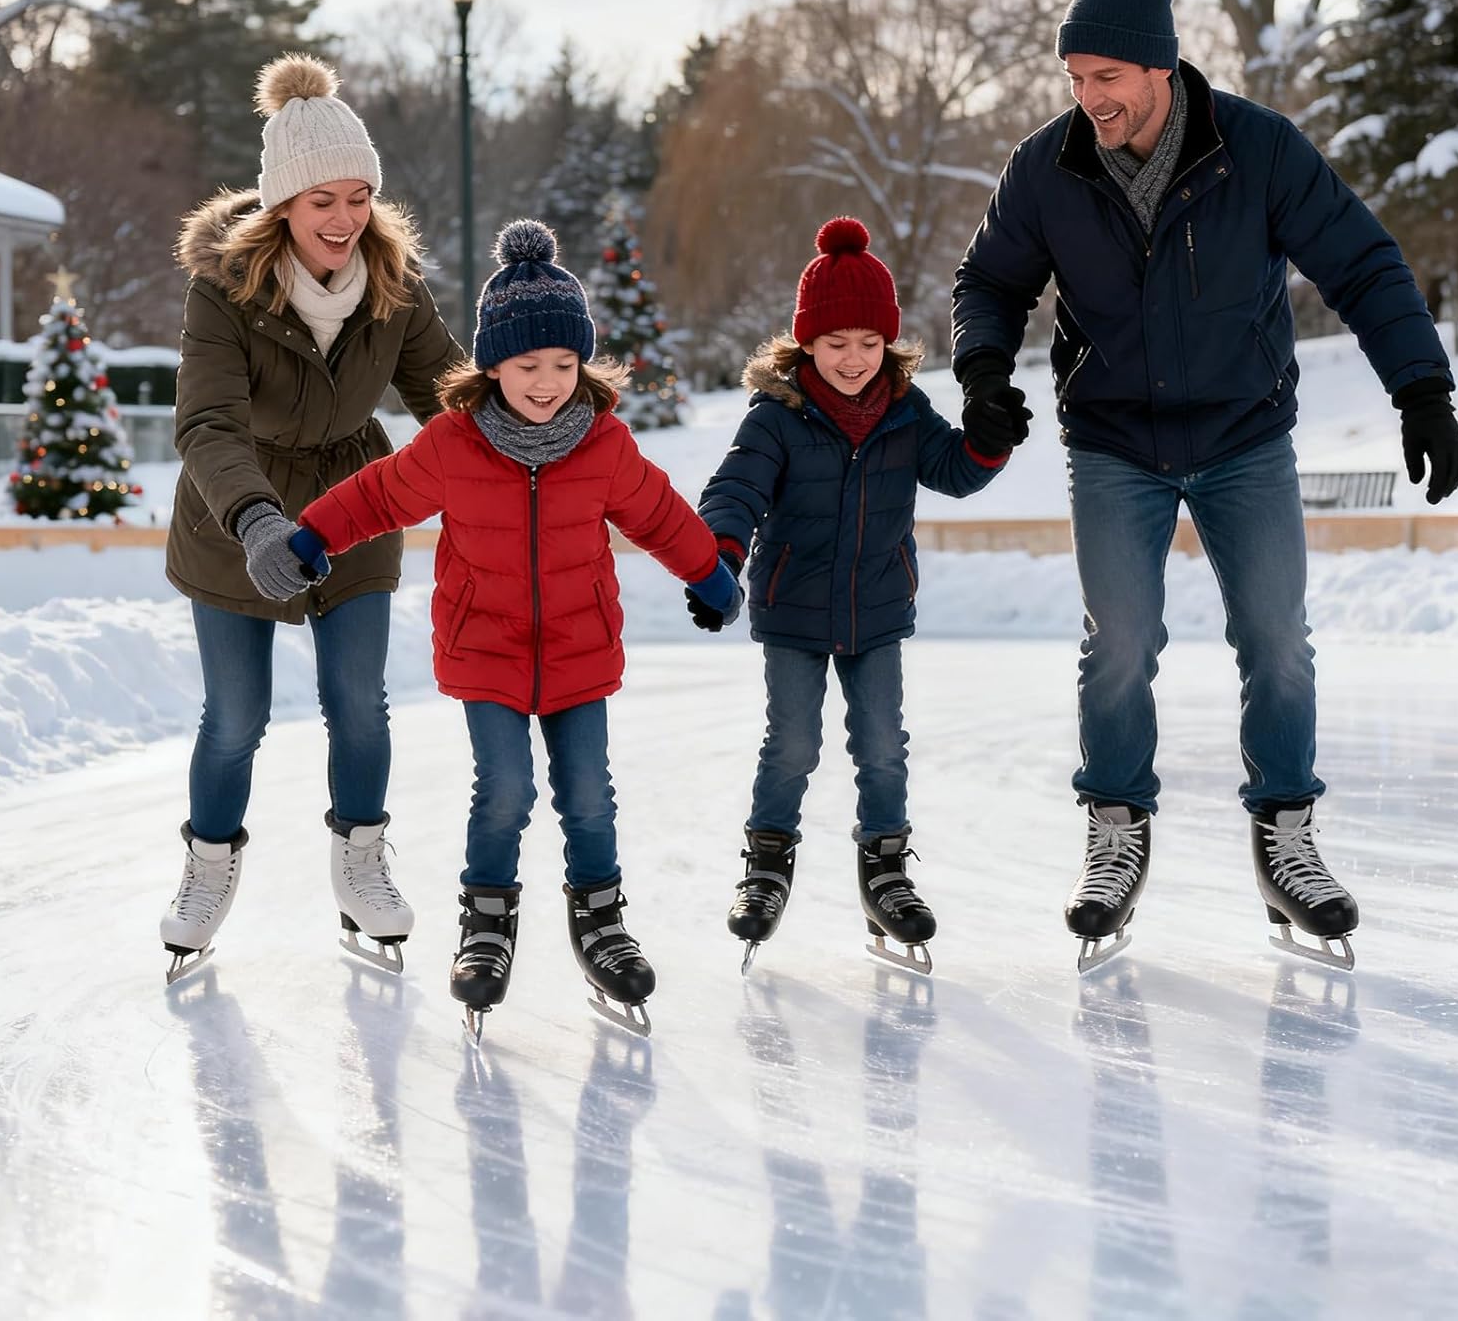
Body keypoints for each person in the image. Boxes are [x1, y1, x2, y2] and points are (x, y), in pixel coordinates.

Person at [949, 0, 1458, 973]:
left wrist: (1423, 391)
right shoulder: (1045, 169)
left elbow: (1362, 263)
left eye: (1106, 76)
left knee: (1276, 639)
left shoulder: (1258, 150)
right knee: (1122, 642)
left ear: (1159, 65)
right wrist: (979, 371)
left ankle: (1286, 834)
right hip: (1113, 440)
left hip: (1242, 436)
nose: (1089, 97)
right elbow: (991, 281)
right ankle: (1114, 830)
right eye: (1074, 77)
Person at [275, 218, 741, 1038]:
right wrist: (313, 535)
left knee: (589, 799)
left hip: (578, 650)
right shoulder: (456, 442)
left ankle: (601, 922)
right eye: (530, 365)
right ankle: (485, 926)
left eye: (565, 364)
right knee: (506, 792)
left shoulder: (602, 441)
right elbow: (380, 494)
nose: (549, 381)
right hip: (485, 648)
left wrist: (710, 573)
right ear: (494, 365)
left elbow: (660, 512)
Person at [160, 53, 464, 984]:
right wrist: (255, 521)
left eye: (359, 196)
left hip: (354, 501)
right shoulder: (224, 291)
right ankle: (208, 870)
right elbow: (207, 422)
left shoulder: (394, 288)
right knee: (235, 716)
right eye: (321, 199)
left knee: (359, 703)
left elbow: (450, 399)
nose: (343, 218)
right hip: (233, 515)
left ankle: (361, 864)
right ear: (283, 204)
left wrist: (524, 452)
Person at [698, 217, 1013, 974]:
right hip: (793, 611)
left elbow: (956, 470)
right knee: (794, 744)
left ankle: (887, 874)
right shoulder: (777, 416)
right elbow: (734, 490)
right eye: (836, 343)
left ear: (889, 345)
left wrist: (990, 437)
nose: (852, 359)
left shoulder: (906, 411)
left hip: (876, 610)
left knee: (881, 747)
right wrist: (719, 559)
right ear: (806, 342)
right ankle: (767, 866)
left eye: (868, 344)